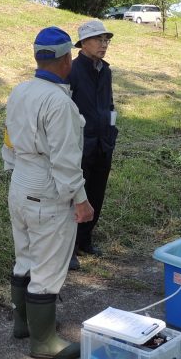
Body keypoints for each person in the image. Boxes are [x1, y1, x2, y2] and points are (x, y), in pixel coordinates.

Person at [2, 26, 95, 359]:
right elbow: (65, 161)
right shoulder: (60, 103)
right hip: (48, 188)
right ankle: (43, 341)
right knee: (49, 266)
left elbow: (8, 139)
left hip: (20, 182)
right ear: (66, 59)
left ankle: (23, 323)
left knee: (25, 256)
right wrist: (81, 201)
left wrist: (14, 169)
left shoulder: (20, 91)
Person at [66, 19, 118, 271]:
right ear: (83, 43)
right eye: (98, 39)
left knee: (97, 193)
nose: (103, 44)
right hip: (80, 145)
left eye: (106, 40)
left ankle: (86, 240)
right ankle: (70, 248)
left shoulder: (105, 70)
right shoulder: (72, 70)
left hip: (103, 143)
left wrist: (111, 133)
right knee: (75, 197)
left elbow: (109, 104)